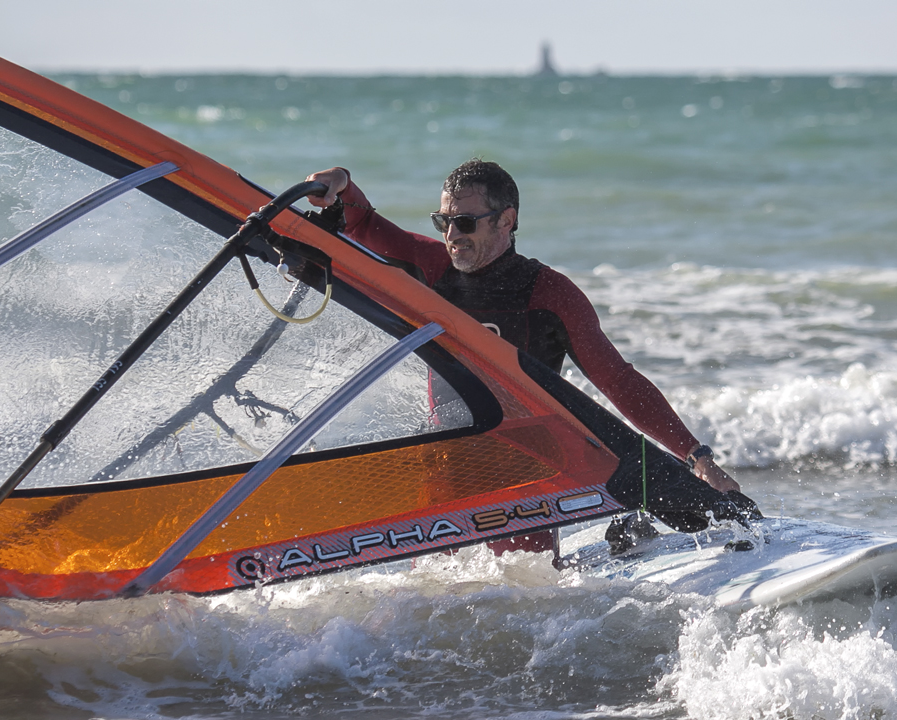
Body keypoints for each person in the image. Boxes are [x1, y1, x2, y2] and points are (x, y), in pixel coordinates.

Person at [305, 160, 757, 552]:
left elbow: (618, 381)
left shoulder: (549, 294)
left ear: (506, 220)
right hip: (445, 468)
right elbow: (363, 224)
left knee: (529, 592)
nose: (451, 235)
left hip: (526, 478)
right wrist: (342, 181)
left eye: (464, 222)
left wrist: (698, 459)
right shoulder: (433, 267)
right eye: (443, 222)